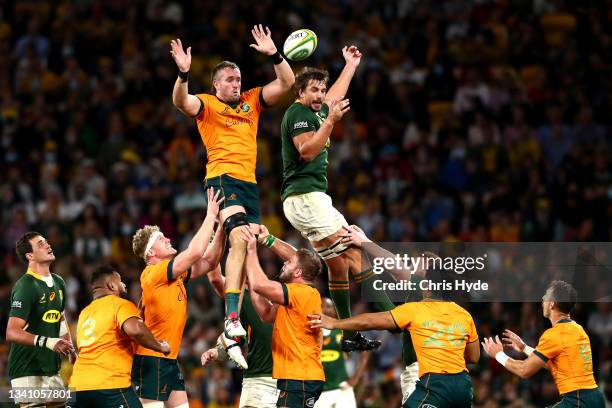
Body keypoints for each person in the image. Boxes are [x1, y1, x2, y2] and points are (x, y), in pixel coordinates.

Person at [170, 24, 295, 340]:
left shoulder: (252, 101)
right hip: (222, 179)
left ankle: (233, 323)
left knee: (246, 243)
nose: (237, 83)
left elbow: (288, 82)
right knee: (240, 236)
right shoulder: (207, 105)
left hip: (249, 186)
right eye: (230, 79)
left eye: (238, 78)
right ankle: (231, 318)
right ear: (216, 85)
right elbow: (181, 103)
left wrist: (275, 54)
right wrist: (183, 75)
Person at [279, 46, 395, 351]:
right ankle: (395, 318)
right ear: (299, 92)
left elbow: (332, 101)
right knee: (356, 250)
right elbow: (305, 151)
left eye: (322, 89)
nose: (320, 95)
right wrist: (330, 122)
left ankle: (348, 335)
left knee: (339, 266)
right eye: (314, 90)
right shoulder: (297, 113)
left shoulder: (314, 109)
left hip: (308, 200)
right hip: (306, 198)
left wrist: (351, 66)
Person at [308, 266, 480, 408]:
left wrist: (335, 323)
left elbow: (369, 321)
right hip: (463, 386)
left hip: (435, 384)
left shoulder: (414, 309)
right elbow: (474, 357)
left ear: (427, 287)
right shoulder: (464, 314)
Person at [130, 188, 225, 407]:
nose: (168, 238)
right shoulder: (154, 273)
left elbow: (209, 261)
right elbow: (194, 252)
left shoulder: (173, 274)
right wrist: (210, 215)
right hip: (151, 358)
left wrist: (221, 229)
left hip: (168, 358)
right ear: (151, 254)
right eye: (162, 239)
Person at [201, 225, 302, 408]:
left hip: (292, 380)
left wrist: (268, 240)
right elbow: (215, 278)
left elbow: (300, 260)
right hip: (259, 380)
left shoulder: (295, 295)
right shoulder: (242, 294)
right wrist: (216, 238)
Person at [482, 280, 606, 408]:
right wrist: (525, 348)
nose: (542, 299)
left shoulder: (553, 334)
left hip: (578, 400)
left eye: (546, 295)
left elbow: (524, 370)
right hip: (594, 398)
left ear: (552, 304)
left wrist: (498, 355)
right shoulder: (578, 329)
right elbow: (555, 364)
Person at [243, 230, 325, 408]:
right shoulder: (295, 299)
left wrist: (250, 251)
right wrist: (250, 284)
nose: (284, 264)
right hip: (298, 377)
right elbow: (266, 314)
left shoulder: (302, 293)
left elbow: (260, 285)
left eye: (289, 263)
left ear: (298, 272)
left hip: (301, 376)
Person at [68, 266, 171, 408]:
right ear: (111, 285)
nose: (123, 284)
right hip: (111, 385)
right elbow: (136, 330)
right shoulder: (120, 304)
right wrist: (160, 346)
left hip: (77, 388)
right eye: (120, 281)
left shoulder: (84, 313)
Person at [7, 232, 75, 408]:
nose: (47, 245)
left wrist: (69, 348)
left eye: (46, 241)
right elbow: (12, 332)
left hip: (51, 367)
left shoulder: (59, 282)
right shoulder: (26, 285)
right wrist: (48, 342)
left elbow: (59, 317)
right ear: (30, 255)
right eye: (40, 244)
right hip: (26, 368)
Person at [315, 298, 370, 408]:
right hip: (318, 391)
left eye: (329, 306)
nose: (325, 309)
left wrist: (355, 379)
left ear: (335, 310)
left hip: (341, 387)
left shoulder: (343, 330)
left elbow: (365, 351)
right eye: (322, 306)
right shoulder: (311, 331)